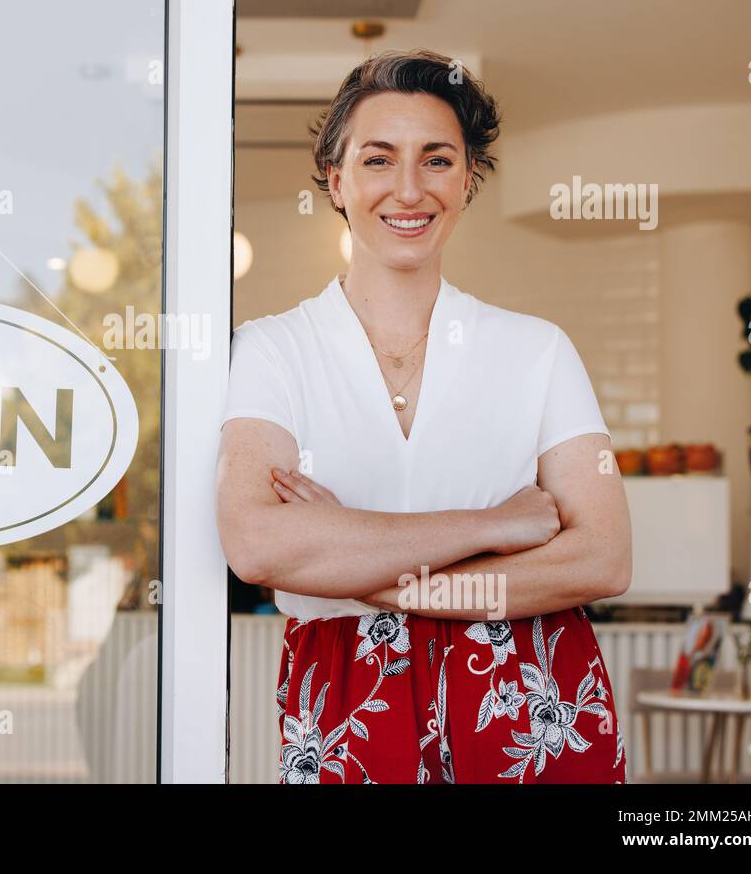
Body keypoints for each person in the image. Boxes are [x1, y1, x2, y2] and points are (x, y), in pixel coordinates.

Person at [216, 49, 631, 784]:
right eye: (378, 160)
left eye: (437, 160)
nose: (409, 189)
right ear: (336, 181)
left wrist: (353, 567)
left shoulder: (538, 351)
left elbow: (602, 557)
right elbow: (256, 542)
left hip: (530, 695)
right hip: (348, 694)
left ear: (467, 181)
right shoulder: (271, 350)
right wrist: (491, 527)